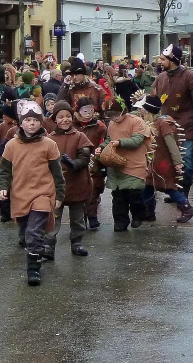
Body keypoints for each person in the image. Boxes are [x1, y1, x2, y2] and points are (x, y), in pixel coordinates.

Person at [0, 100, 65, 286]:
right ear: (21, 122)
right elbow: (4, 170)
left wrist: (59, 195)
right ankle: (35, 251)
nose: (32, 123)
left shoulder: (49, 145)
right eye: (28, 120)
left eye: (35, 120)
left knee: (34, 232)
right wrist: (2, 186)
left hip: (43, 194)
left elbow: (57, 173)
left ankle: (33, 269)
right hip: (20, 194)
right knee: (27, 231)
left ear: (41, 122)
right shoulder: (12, 145)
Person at [151, 45, 193, 197]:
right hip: (166, 127)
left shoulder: (191, 77)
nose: (160, 62)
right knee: (169, 162)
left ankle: (183, 196)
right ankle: (175, 192)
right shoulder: (160, 78)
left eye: (163, 59)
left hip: (187, 127)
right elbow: (154, 102)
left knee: (186, 165)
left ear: (173, 60)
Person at [135, 94, 193, 223]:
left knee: (168, 187)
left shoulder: (162, 124)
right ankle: (148, 212)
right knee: (148, 186)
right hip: (152, 163)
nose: (140, 111)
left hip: (163, 164)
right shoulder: (148, 124)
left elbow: (172, 145)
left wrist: (178, 162)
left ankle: (187, 208)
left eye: (142, 109)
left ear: (148, 110)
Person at [44, 100, 93, 258]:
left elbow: (85, 157)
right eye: (60, 117)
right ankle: (49, 247)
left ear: (72, 117)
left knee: (77, 217)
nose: (64, 119)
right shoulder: (49, 139)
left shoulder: (80, 136)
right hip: (56, 186)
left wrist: (74, 164)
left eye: (67, 116)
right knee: (53, 217)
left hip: (77, 183)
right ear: (55, 119)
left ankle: (77, 242)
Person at [97, 97, 150, 232]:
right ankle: (120, 222)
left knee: (134, 193)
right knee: (118, 196)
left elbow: (137, 140)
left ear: (123, 111)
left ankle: (139, 215)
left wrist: (120, 143)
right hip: (116, 164)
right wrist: (101, 147)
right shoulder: (111, 124)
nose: (113, 119)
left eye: (115, 115)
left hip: (134, 164)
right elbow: (108, 139)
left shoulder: (136, 122)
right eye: (110, 116)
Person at [73, 96, 107, 230]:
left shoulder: (100, 126)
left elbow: (105, 140)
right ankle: (81, 217)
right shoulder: (73, 125)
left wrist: (101, 148)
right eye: (85, 110)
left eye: (91, 110)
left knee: (94, 188)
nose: (88, 113)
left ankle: (92, 216)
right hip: (77, 160)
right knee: (79, 189)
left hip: (95, 161)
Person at [0, 102, 18, 223]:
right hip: (5, 161)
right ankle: (5, 213)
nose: (3, 116)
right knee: (4, 187)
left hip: (18, 165)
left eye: (6, 114)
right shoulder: (6, 128)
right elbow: (1, 146)